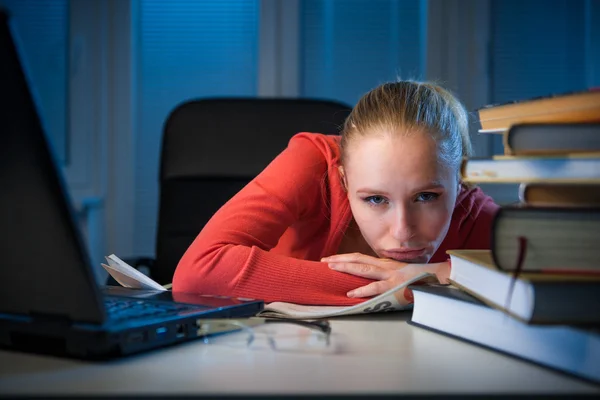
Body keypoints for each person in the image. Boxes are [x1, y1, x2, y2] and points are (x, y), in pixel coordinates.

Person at [172, 80, 499, 305]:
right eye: (375, 199)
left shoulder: (470, 209)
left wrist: (445, 271)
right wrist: (420, 284)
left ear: (461, 179)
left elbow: (546, 277)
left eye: (426, 197)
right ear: (343, 180)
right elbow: (200, 270)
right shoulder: (311, 163)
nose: (403, 231)